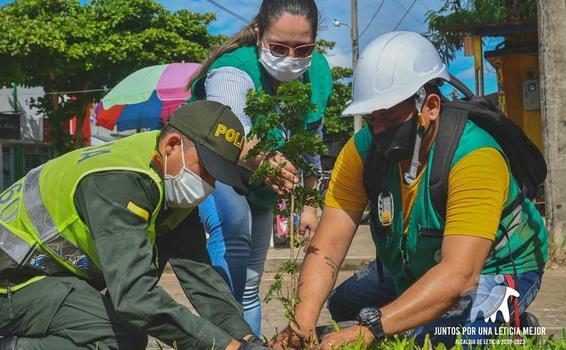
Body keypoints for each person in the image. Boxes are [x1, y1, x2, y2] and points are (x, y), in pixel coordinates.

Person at [271, 31, 548, 349]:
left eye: (389, 117)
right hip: (416, 264)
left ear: (430, 106)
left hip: (492, 269)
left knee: (440, 340)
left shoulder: (475, 157)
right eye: (371, 117)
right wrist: (301, 323)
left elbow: (459, 274)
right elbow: (329, 244)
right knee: (342, 305)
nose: (378, 129)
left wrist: (372, 328)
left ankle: (514, 327)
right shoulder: (361, 151)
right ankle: (415, 314)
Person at [0, 101, 271, 350]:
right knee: (120, 337)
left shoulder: (166, 178)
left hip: (39, 279)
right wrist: (226, 347)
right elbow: (134, 297)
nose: (209, 185)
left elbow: (201, 278)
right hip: (12, 283)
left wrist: (247, 339)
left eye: (217, 177)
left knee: (122, 330)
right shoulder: (120, 183)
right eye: (206, 170)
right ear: (172, 145)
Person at [188, 0, 332, 336]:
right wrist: (267, 159)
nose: (291, 58)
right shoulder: (233, 69)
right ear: (258, 33)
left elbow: (311, 143)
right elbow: (228, 133)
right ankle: (221, 340)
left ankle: (247, 343)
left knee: (252, 283)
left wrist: (310, 204)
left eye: (303, 48)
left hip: (261, 185)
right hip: (217, 170)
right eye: (279, 47)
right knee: (234, 246)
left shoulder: (317, 74)